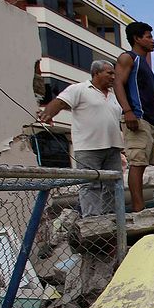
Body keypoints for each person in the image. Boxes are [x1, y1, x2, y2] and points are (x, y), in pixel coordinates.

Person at [39, 60, 123, 217]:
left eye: (114, 73)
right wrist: (48, 113)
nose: (113, 77)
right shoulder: (80, 89)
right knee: (90, 184)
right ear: (96, 73)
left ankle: (111, 218)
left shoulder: (113, 96)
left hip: (112, 148)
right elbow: (60, 102)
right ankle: (92, 220)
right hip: (88, 148)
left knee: (113, 185)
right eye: (109, 73)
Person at [114, 21, 154, 213]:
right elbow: (118, 84)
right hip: (136, 118)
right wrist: (128, 111)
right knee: (136, 163)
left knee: (143, 164)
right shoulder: (128, 58)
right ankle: (137, 207)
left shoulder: (145, 65)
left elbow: (149, 95)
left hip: (148, 121)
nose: (152, 40)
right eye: (148, 36)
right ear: (137, 38)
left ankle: (140, 206)